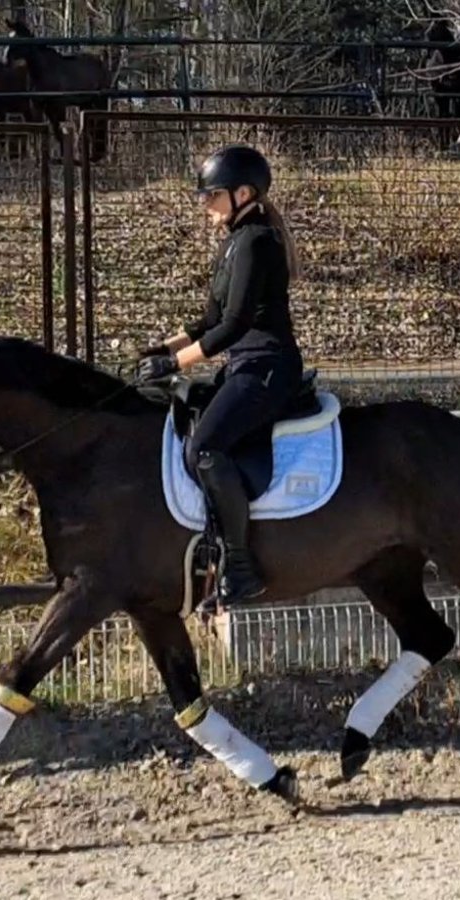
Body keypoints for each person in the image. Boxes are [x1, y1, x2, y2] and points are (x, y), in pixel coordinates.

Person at [137, 144, 305, 608]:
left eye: (211, 195)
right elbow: (210, 319)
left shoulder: (257, 241)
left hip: (267, 368)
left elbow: (235, 326)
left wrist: (175, 365)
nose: (204, 204)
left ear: (243, 193)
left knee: (205, 447)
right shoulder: (234, 242)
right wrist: (161, 348)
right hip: (244, 365)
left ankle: (241, 565)